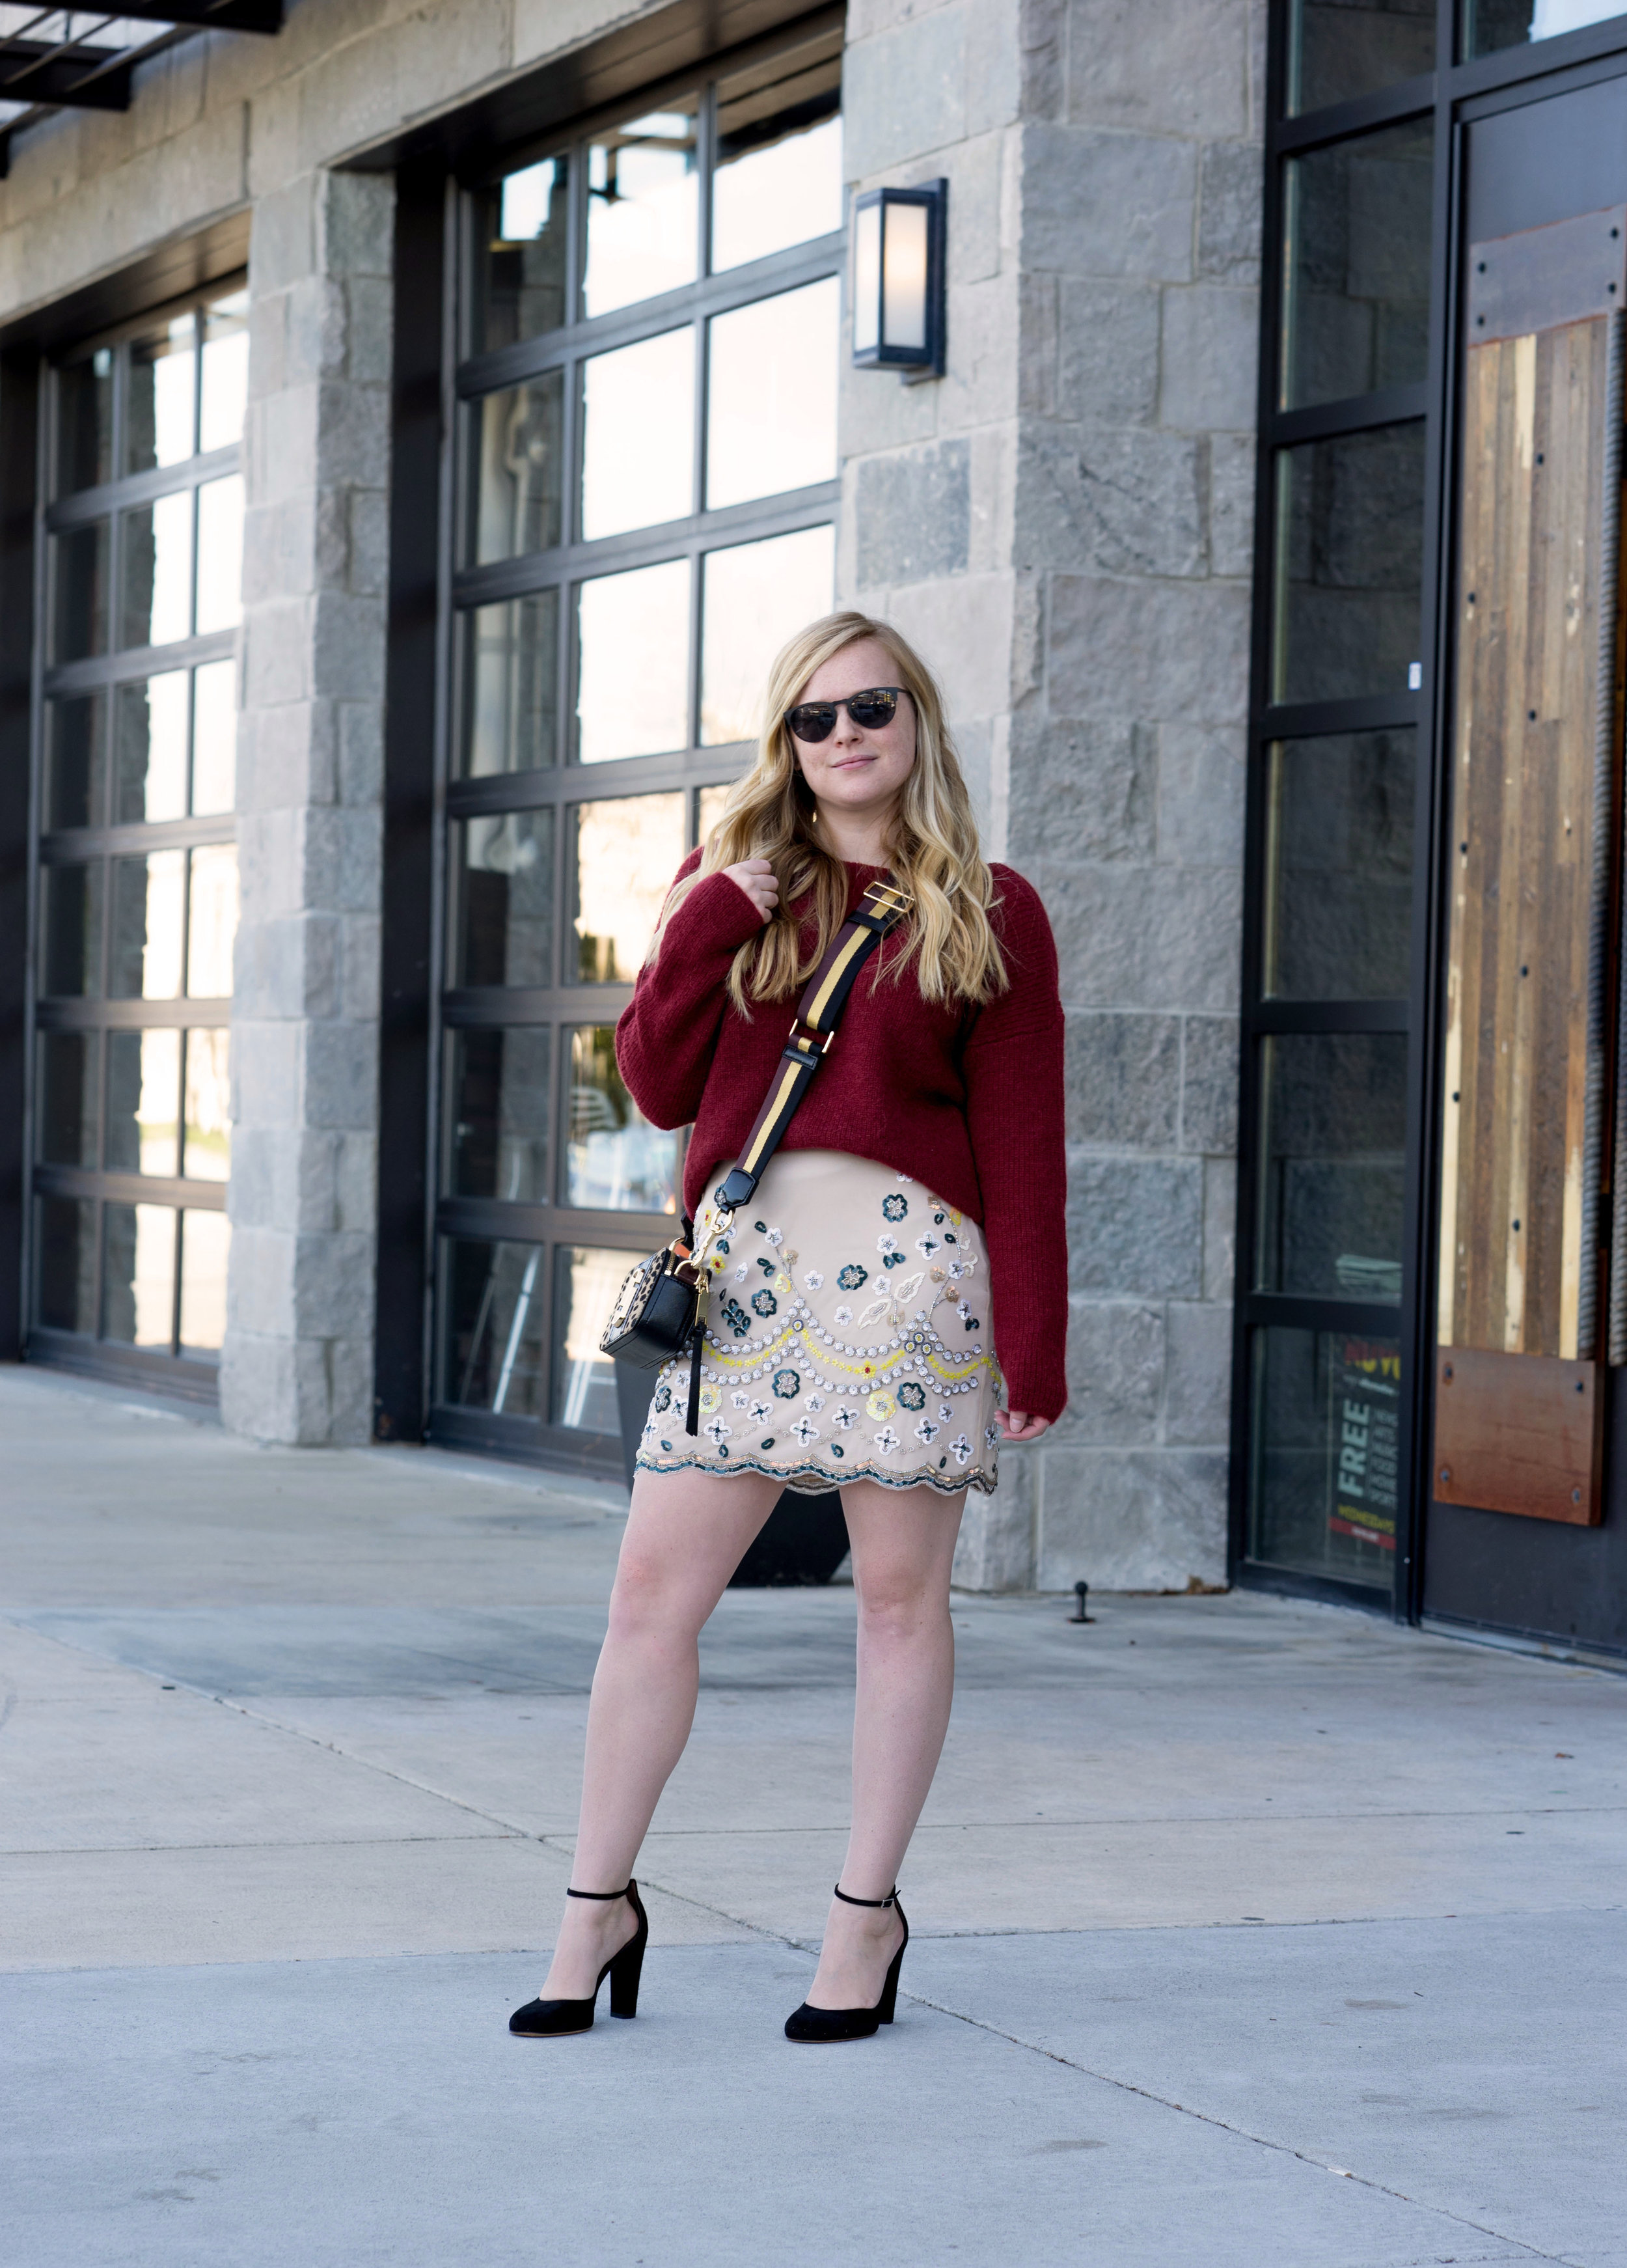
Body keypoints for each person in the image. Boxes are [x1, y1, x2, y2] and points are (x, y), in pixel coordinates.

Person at [509, 610, 1067, 2045]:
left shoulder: (989, 907)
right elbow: (648, 1081)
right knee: (650, 1598)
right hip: (745, 1288)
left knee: (894, 1603)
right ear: (785, 742)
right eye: (812, 718)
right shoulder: (733, 885)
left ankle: (859, 1920)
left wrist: (1039, 1339)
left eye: (869, 705)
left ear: (915, 719)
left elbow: (1021, 1139)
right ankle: (594, 1903)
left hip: (911, 1290)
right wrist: (709, 917)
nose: (842, 735)